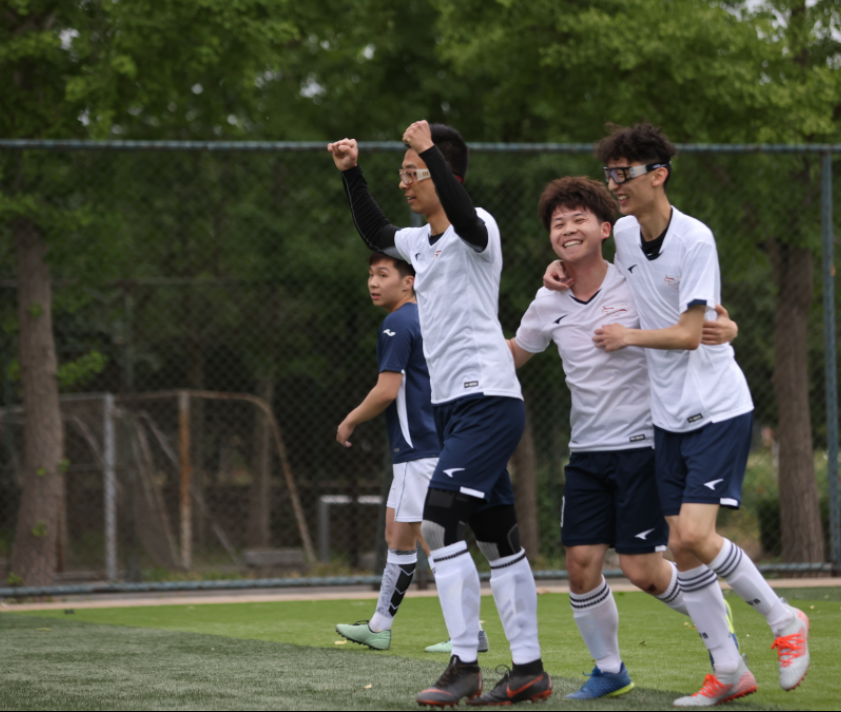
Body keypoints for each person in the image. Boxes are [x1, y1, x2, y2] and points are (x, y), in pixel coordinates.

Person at [545, 123, 810, 707]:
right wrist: (558, 271)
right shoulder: (627, 236)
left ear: (658, 175)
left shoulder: (695, 238)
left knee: (693, 536)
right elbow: (693, 305)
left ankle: (785, 619)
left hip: (715, 408)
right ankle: (728, 670)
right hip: (666, 419)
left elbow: (691, 333)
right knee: (683, 549)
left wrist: (631, 337)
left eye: (624, 173)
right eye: (610, 173)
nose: (615, 183)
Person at [328, 121, 551, 706]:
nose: (404, 183)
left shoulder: (480, 231)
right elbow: (376, 230)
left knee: (437, 523)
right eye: (402, 173)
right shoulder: (418, 242)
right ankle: (529, 670)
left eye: (414, 173)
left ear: (444, 175)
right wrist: (352, 173)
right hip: (456, 409)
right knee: (499, 541)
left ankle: (465, 664)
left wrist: (429, 149)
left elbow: (466, 217)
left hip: (488, 400)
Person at [512, 177, 739, 700]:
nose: (568, 230)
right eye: (558, 223)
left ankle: (715, 622)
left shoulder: (634, 282)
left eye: (579, 219)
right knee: (580, 566)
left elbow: (697, 324)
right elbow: (515, 353)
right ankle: (610, 669)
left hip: (643, 446)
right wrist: (452, 354)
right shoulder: (547, 299)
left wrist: (728, 329)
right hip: (586, 454)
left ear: (605, 229)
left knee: (642, 570)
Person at [333, 252, 488, 656]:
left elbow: (387, 390)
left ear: (409, 282)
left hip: (419, 449)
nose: (373, 282)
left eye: (383, 274)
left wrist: (349, 420)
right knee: (397, 535)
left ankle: (470, 632)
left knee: (436, 541)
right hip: (428, 446)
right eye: (370, 274)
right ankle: (379, 627)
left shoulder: (398, 322)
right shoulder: (428, 318)